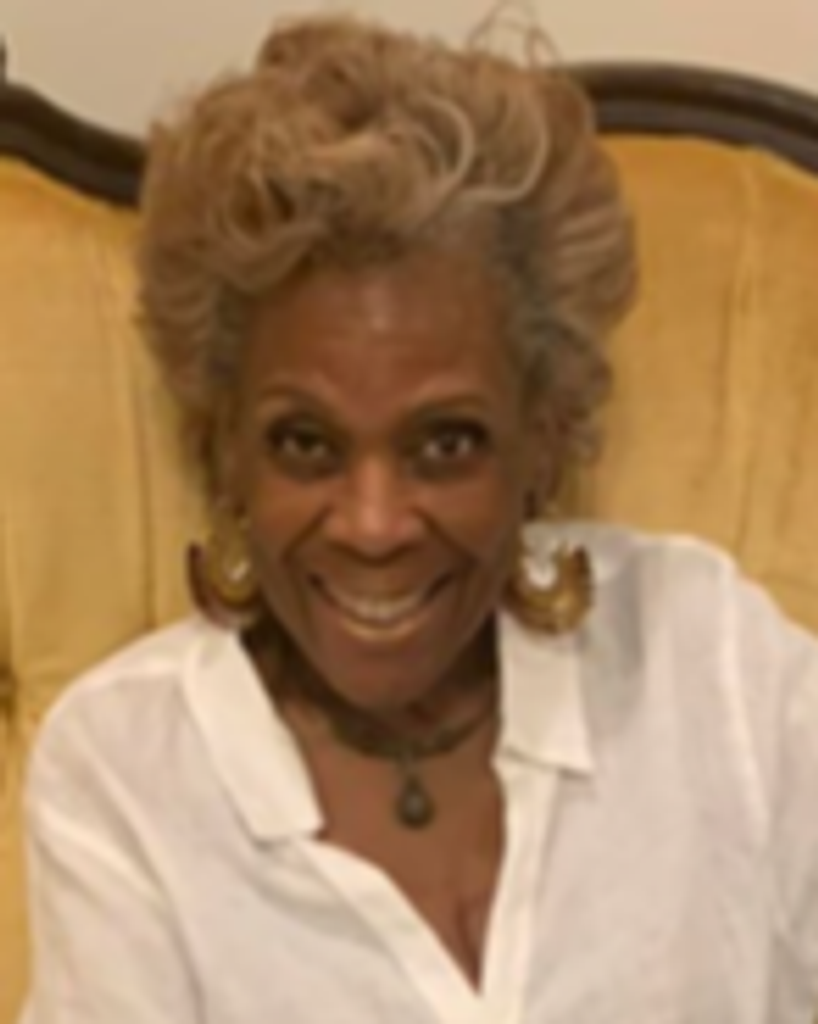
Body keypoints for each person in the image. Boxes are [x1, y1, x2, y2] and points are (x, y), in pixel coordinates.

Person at [20, 12, 818, 1024]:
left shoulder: (705, 658)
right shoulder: (126, 772)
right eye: (304, 443)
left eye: (446, 443)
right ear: (226, 450)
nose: (374, 524)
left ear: (541, 439)